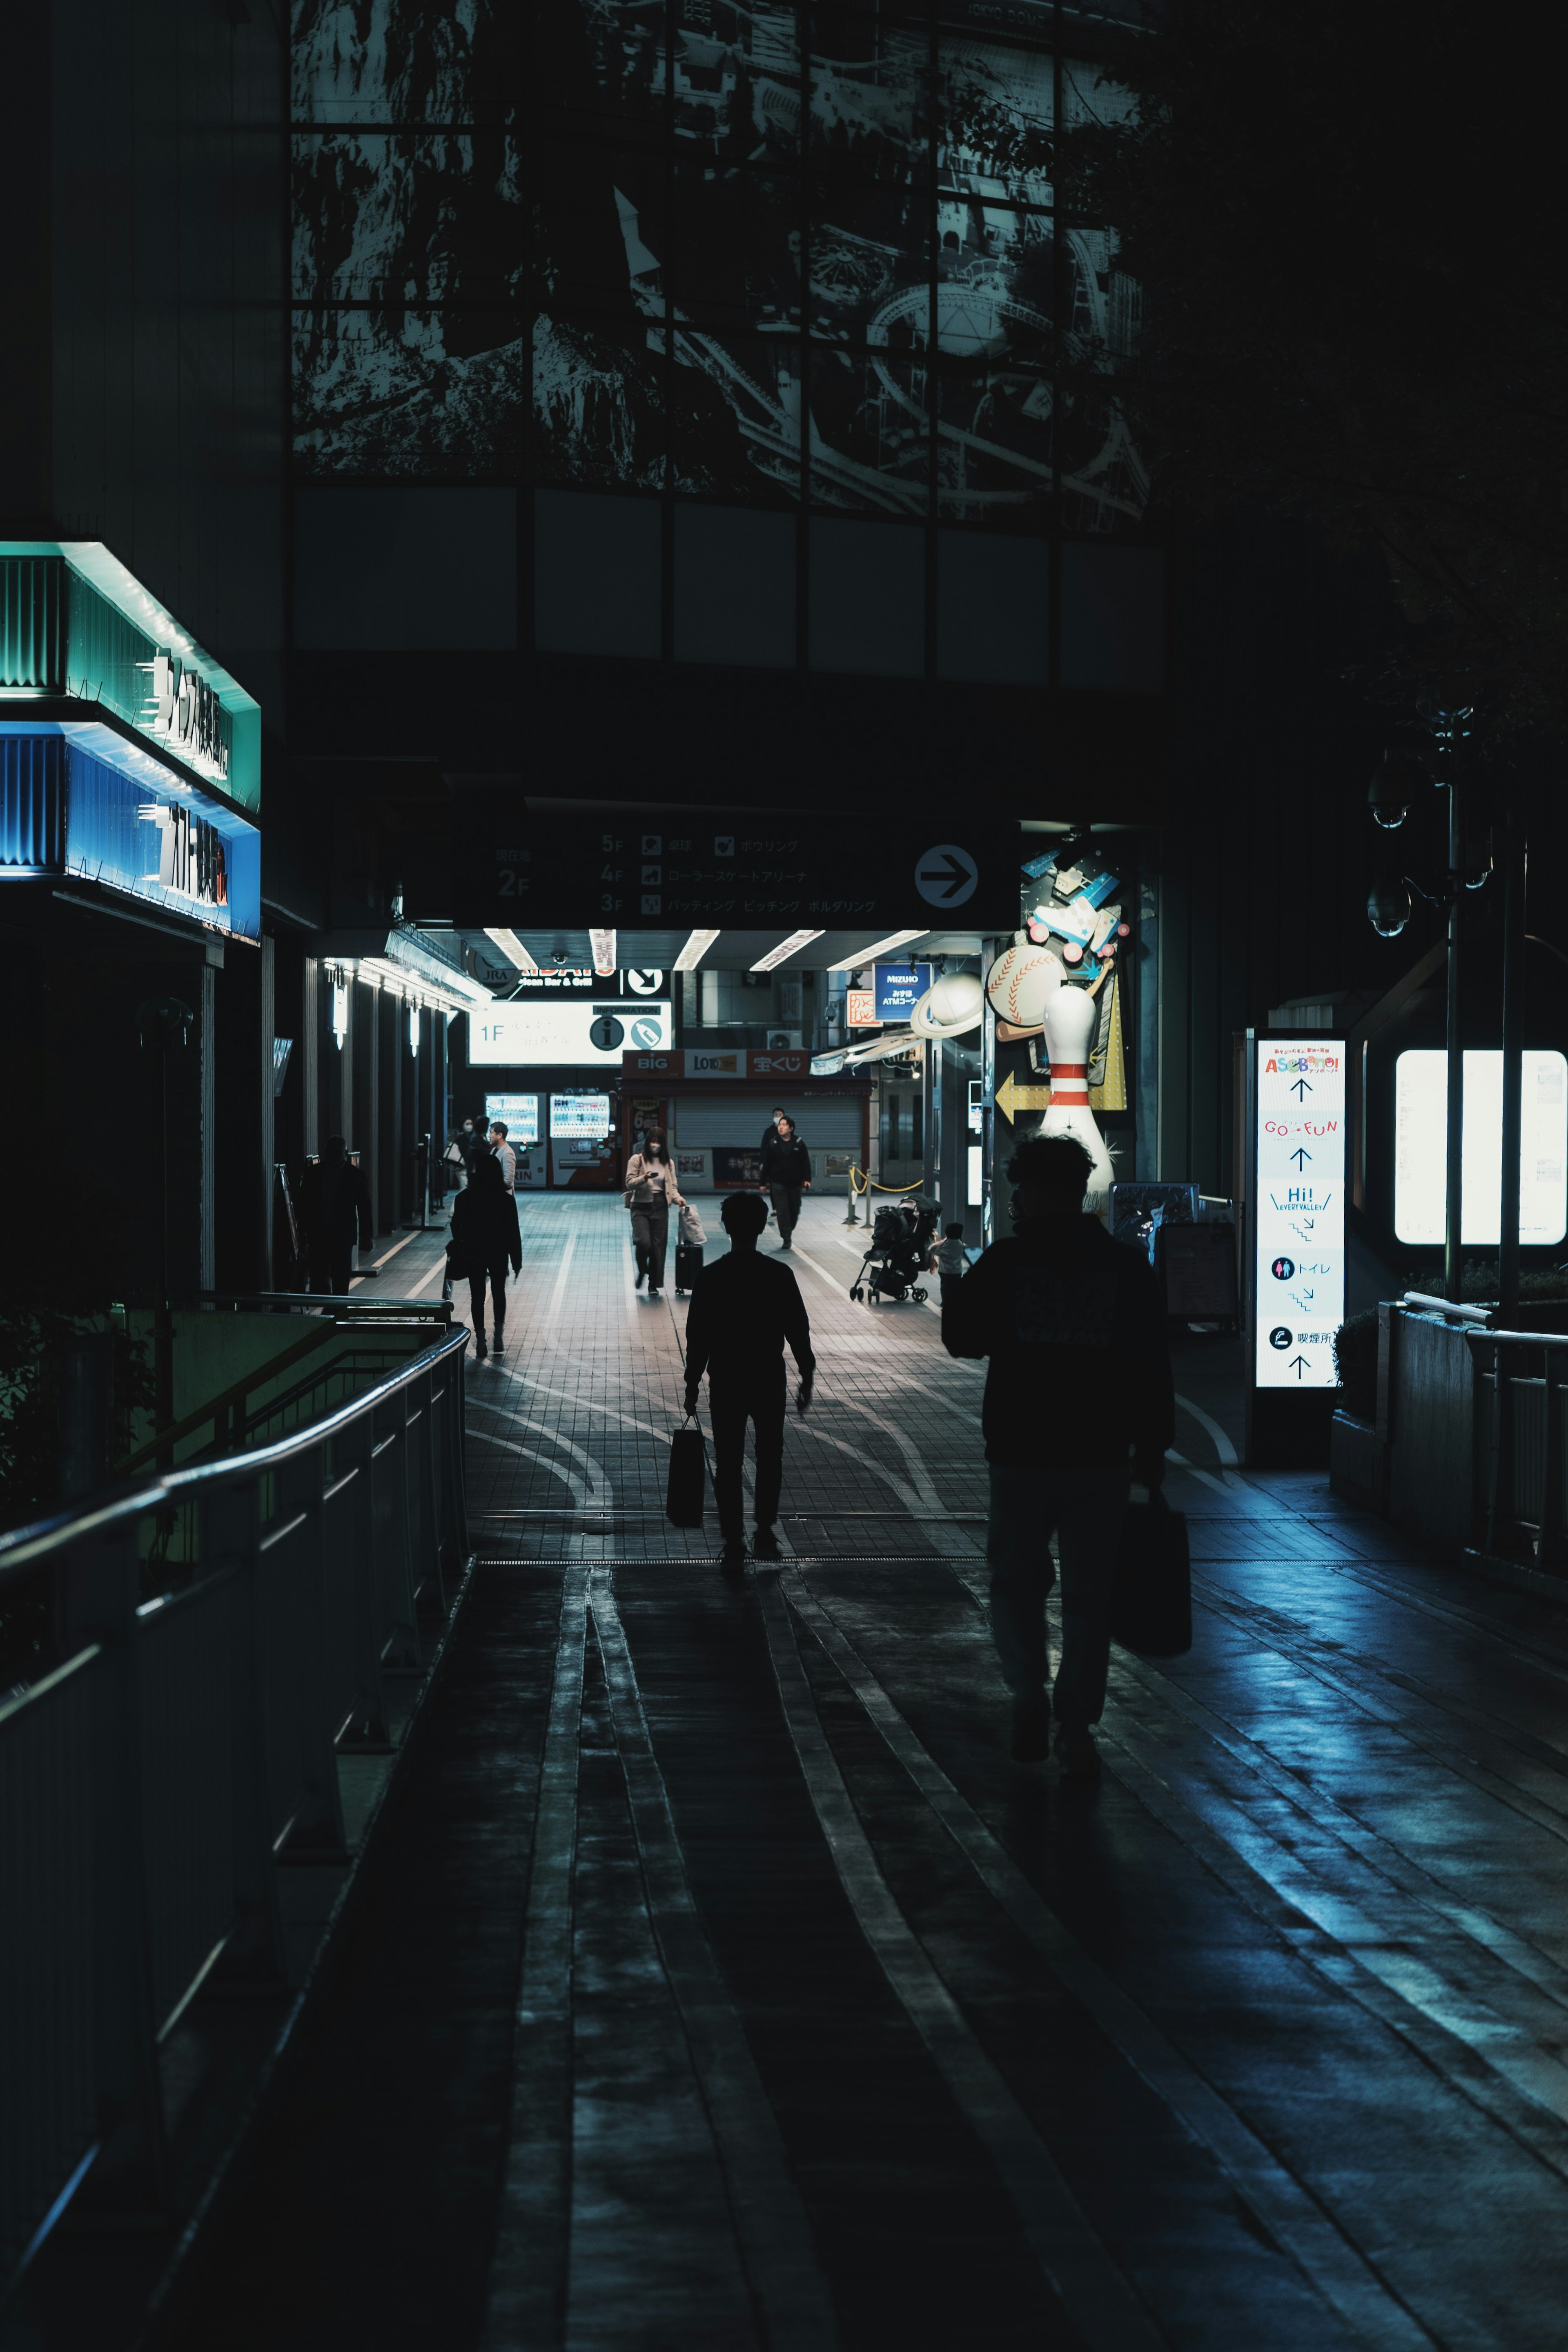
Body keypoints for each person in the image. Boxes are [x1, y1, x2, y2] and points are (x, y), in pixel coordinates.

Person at [942, 1132, 1173, 1780]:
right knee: (1090, 1593)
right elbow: (1152, 1362)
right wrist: (1153, 1445)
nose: (1015, 1200)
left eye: (1020, 1188)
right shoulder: (1126, 1266)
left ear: (1039, 1191)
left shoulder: (1008, 1262)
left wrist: (956, 1275)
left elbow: (961, 1338)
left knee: (1016, 1582)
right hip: (1101, 1454)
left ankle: (1027, 1693)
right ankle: (1076, 1725)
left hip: (1020, 1451)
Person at [684, 1192, 814, 1571]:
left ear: (725, 1227)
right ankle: (765, 1532)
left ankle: (733, 1539)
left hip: (726, 1380)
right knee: (770, 1457)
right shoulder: (779, 1275)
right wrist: (807, 1375)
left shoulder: (710, 1277)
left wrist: (693, 1384)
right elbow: (798, 1330)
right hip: (768, 1378)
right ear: (762, 1227)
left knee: (728, 1461)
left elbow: (699, 1337)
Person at [448, 1150, 521, 1358]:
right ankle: (499, 1335)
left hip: (474, 1251)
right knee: (499, 1292)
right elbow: (513, 1232)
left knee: (477, 1296)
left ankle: (481, 1340)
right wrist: (517, 1261)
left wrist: (462, 1241)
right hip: (498, 1251)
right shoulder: (506, 1200)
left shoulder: (464, 1198)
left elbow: (455, 1225)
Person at [299, 1135, 373, 1298]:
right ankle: (330, 1307)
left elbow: (364, 1207)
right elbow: (304, 1205)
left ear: (345, 1154)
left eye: (337, 1153)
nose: (333, 1156)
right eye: (330, 1152)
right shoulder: (313, 1173)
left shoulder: (356, 1176)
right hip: (319, 1233)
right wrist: (302, 1234)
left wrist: (367, 1235)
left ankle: (336, 1311)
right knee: (318, 1277)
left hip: (343, 1236)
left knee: (341, 1277)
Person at [622, 1127, 685, 1299]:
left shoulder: (668, 1163)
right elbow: (629, 1183)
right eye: (652, 1141)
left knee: (658, 1247)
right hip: (640, 1206)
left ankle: (653, 1284)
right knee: (644, 1243)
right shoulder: (638, 1160)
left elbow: (673, 1186)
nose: (655, 1145)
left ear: (663, 1144)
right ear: (647, 1142)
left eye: (658, 1142)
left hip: (661, 1206)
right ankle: (643, 1269)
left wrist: (678, 1198)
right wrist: (645, 1178)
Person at [758, 1114, 811, 1250]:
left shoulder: (799, 1143)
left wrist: (807, 1179)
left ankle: (789, 1229)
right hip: (778, 1183)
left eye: (784, 1125)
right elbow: (767, 1164)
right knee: (782, 1211)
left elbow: (805, 1163)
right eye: (780, 1125)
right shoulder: (773, 1144)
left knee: (794, 1211)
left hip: (795, 1184)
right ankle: (786, 1238)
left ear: (791, 1128)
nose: (781, 1128)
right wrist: (763, 1183)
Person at [931, 1222, 969, 1304]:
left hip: (945, 1272)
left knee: (945, 1290)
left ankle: (945, 1304)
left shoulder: (944, 1245)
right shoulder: (961, 1245)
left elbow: (932, 1249)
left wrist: (943, 1240)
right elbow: (966, 1250)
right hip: (957, 1271)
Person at [489, 1120, 517, 1193]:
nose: (489, 1136)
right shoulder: (494, 1150)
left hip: (503, 1196)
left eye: (491, 1133)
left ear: (500, 1135)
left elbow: (508, 1181)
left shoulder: (508, 1153)